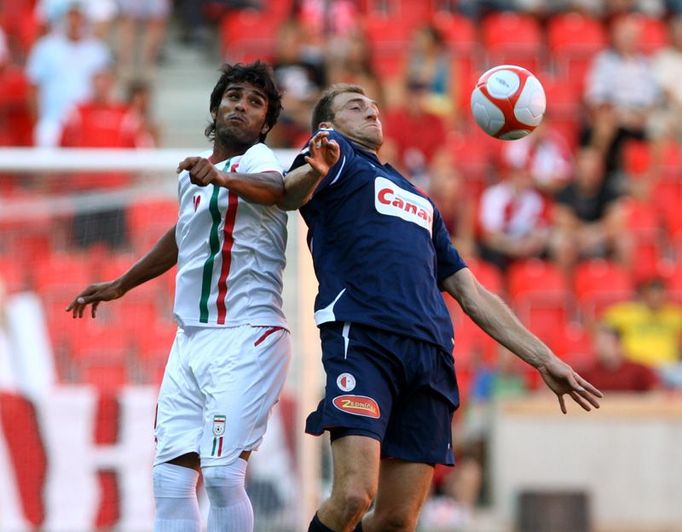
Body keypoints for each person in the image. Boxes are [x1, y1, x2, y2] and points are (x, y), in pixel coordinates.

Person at [277, 83, 603, 532]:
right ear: (328, 125)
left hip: (430, 355)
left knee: (397, 519)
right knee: (353, 495)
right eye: (356, 106)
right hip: (364, 340)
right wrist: (312, 172)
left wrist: (544, 358)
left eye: (374, 105)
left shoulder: (420, 199)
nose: (372, 111)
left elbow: (472, 293)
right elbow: (289, 195)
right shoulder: (334, 159)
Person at [66, 61, 290, 532]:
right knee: (169, 482)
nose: (242, 107)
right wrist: (120, 284)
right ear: (216, 106)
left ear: (265, 124)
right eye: (234, 96)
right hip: (190, 341)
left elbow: (277, 190)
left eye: (255, 102)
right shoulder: (193, 178)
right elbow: (183, 234)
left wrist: (223, 178)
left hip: (247, 334)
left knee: (224, 474)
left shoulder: (257, 163)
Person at [25, 0, 111, 147]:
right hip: (52, 122)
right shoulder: (45, 48)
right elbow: (33, 88)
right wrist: (39, 121)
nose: (75, 22)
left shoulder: (97, 50)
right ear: (64, 18)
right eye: (72, 16)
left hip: (84, 124)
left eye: (79, 17)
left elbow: (103, 90)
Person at [602, 275, 682, 369]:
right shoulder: (627, 312)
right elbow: (601, 324)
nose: (655, 298)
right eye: (652, 294)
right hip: (636, 366)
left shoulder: (674, 314)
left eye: (659, 294)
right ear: (644, 294)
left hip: (668, 366)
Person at [580, 323, 659, 392]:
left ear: (618, 344)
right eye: (597, 343)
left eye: (605, 343)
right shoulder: (587, 372)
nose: (600, 347)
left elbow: (655, 395)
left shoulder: (639, 370)